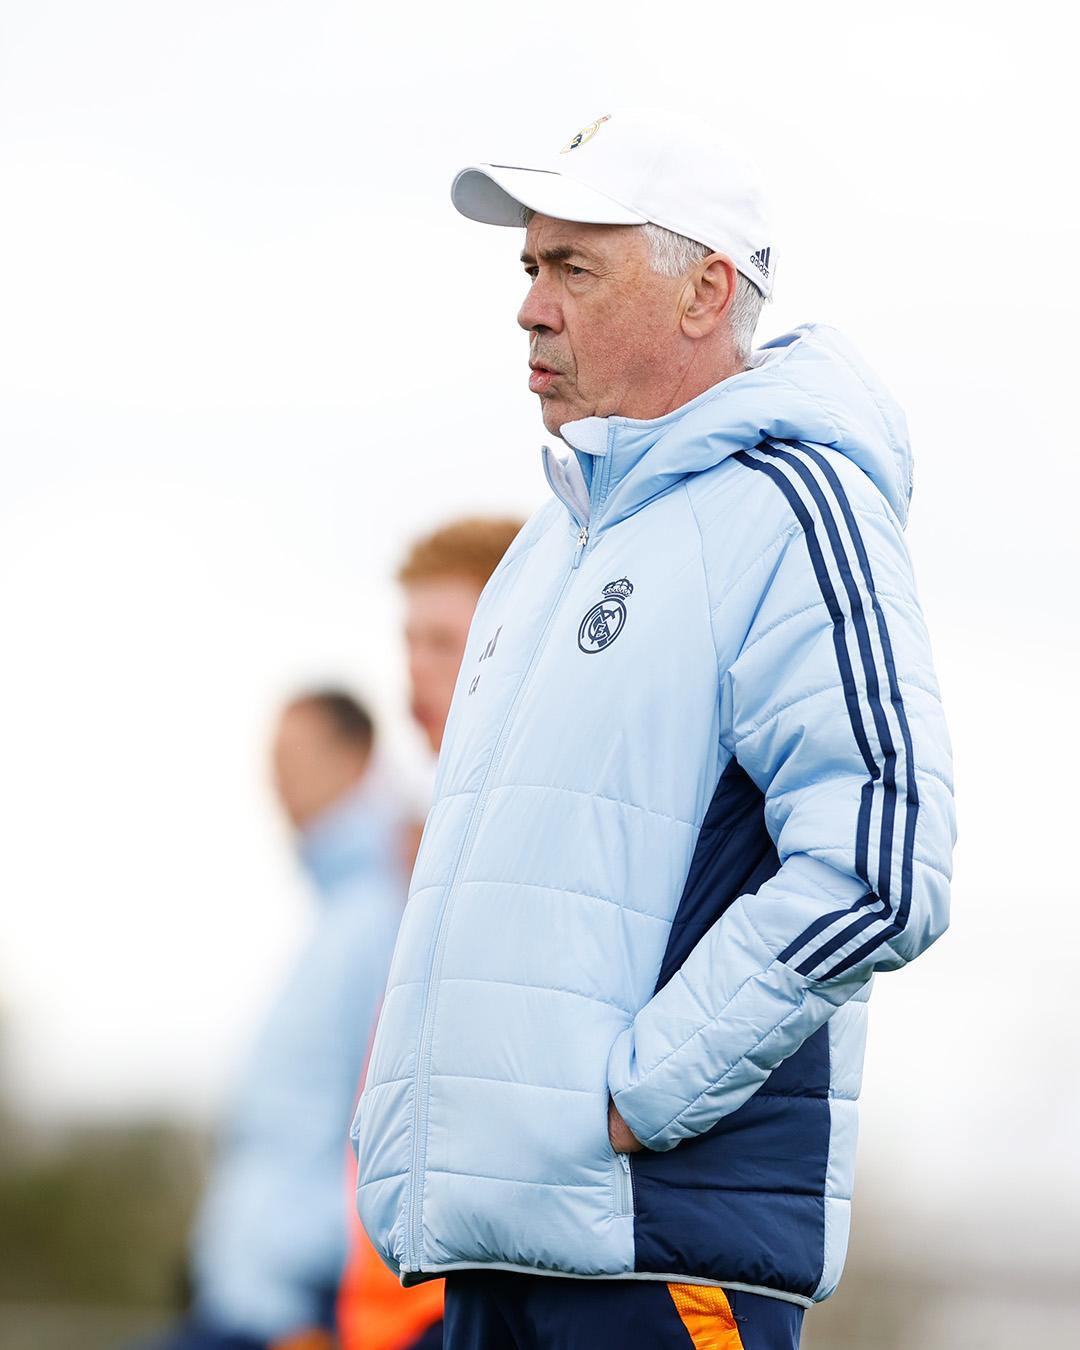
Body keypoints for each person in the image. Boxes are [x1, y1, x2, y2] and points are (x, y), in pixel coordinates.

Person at [352, 108, 956, 1350]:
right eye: (531, 265)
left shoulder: (796, 506)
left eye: (574, 267)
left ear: (706, 293)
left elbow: (884, 863)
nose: (531, 308)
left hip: (655, 1255)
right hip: (493, 1253)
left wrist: (633, 1104)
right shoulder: (546, 549)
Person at [144, 691, 409, 1350]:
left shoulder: (380, 915)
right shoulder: (339, 916)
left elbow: (388, 1123)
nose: (276, 778)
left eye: (294, 754)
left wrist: (308, 1310)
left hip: (303, 1305)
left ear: (355, 758)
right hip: (255, 1296)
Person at [337, 517, 524, 1350]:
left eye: (445, 642)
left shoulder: (533, 842)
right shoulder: (414, 855)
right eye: (409, 641)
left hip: (459, 1302)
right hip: (385, 1306)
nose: (415, 667)